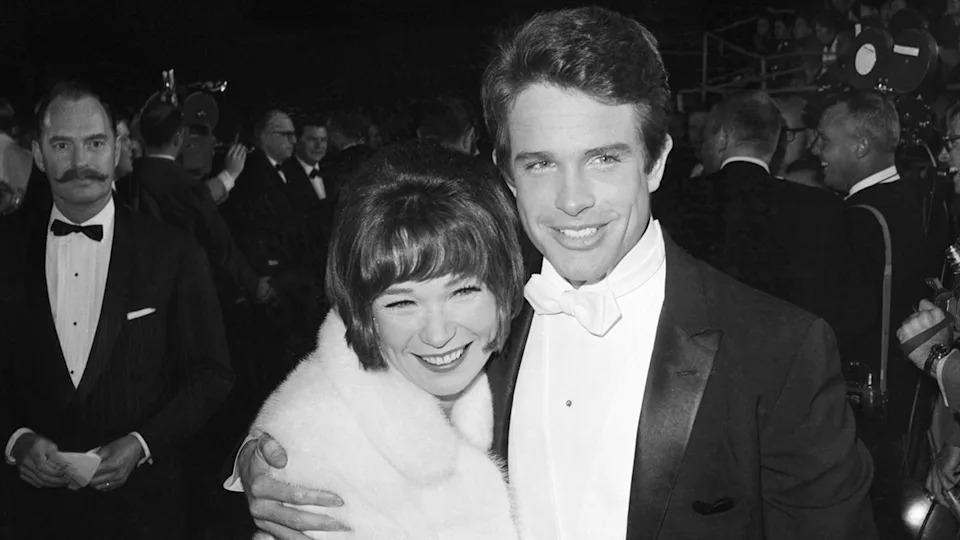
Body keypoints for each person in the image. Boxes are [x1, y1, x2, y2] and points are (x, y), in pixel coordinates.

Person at [233, 7, 877, 539]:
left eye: (602, 159)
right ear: (506, 175)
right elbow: (348, 369)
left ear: (655, 163)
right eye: (540, 164)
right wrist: (264, 458)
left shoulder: (779, 352)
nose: (572, 200)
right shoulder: (471, 317)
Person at [241, 142, 523, 539]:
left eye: (463, 292)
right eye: (403, 302)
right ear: (362, 312)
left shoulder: (534, 350)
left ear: (505, 287)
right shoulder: (318, 446)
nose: (438, 334)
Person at [0, 81, 233, 539]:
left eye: (95, 143)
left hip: (145, 512)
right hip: (30, 516)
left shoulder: (173, 253)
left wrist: (143, 444)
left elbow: (212, 373)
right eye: (62, 144)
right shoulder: (5, 253)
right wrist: (14, 440)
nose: (80, 162)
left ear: (118, 149)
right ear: (38, 154)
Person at [130, 95, 275, 304]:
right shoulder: (182, 184)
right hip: (187, 292)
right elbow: (219, 242)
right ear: (180, 137)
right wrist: (254, 284)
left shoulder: (130, 178)